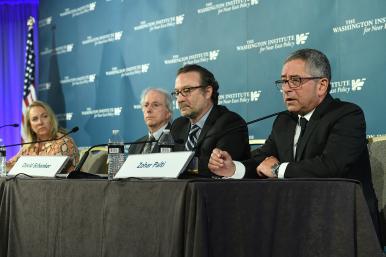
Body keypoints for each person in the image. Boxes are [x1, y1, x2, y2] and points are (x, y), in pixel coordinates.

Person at [208, 48, 381, 242]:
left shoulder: (347, 115)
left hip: (344, 220)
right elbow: (261, 158)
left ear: (322, 85)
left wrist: (277, 169)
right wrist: (233, 169)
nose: (286, 88)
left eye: (296, 80)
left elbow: (332, 166)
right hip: (297, 218)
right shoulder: (284, 121)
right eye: (283, 81)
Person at [170, 64, 250, 177]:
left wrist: (177, 163)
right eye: (177, 92)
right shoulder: (178, 125)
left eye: (187, 90)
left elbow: (219, 168)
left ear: (208, 92)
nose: (180, 99)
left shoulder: (230, 122)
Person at [6, 100, 79, 173]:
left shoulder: (64, 143)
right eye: (35, 119)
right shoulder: (29, 147)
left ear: (51, 119)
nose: (40, 122)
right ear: (30, 125)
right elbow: (8, 166)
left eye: (44, 116)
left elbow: (50, 173)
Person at [128, 88, 173, 154]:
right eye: (146, 105)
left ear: (168, 112)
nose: (148, 110)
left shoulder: (177, 140)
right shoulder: (134, 146)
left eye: (155, 105)